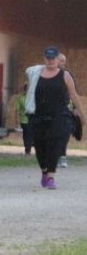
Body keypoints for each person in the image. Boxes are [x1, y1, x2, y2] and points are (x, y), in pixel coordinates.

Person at [25, 46, 86, 190]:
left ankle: (51, 177)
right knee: (40, 147)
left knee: (54, 144)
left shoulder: (65, 75)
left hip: (58, 115)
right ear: (44, 58)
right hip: (38, 115)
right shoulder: (36, 74)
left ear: (58, 59)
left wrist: (83, 115)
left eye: (53, 58)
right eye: (48, 58)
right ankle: (44, 171)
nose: (51, 60)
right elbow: (30, 94)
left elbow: (74, 95)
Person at [57, 53, 76, 168]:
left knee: (66, 131)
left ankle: (62, 156)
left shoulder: (68, 75)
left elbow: (73, 93)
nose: (63, 63)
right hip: (50, 108)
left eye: (64, 61)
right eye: (60, 60)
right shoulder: (46, 74)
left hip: (64, 108)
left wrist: (75, 108)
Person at [15, 83, 32, 155]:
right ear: (24, 90)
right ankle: (27, 147)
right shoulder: (21, 99)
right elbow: (17, 110)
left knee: (29, 134)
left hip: (31, 120)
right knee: (26, 134)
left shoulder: (32, 99)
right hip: (23, 120)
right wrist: (17, 119)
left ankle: (28, 147)